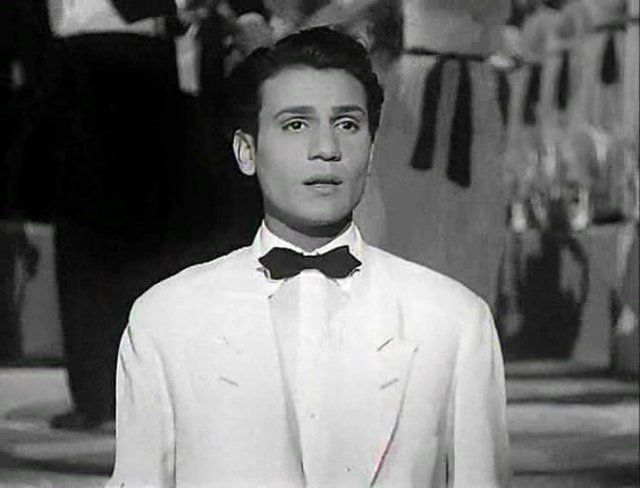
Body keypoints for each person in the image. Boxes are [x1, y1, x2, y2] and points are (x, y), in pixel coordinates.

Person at [108, 27, 510, 487]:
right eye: (296, 124)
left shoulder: (455, 322)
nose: (326, 150)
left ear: (372, 149)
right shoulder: (165, 319)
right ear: (246, 151)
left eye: (347, 125)